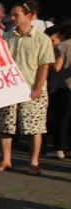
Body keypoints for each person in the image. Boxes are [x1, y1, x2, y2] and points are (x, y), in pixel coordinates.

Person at [0, 1, 56, 175]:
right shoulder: (7, 37)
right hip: (10, 89)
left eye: (16, 15)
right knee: (5, 125)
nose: (12, 18)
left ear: (28, 16)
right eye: (11, 14)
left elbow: (45, 65)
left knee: (34, 127)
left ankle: (34, 162)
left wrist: (37, 87)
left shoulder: (42, 38)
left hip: (32, 88)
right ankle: (6, 159)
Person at [47, 23, 70, 160]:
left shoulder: (63, 46)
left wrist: (47, 65)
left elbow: (57, 67)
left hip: (63, 87)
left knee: (61, 119)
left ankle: (59, 148)